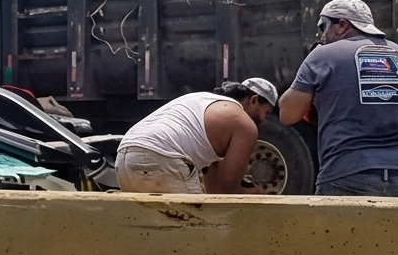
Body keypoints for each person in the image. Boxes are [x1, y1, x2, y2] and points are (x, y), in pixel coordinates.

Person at [278, 0, 398, 196]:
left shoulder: (323, 55)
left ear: (342, 24)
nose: (322, 35)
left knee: (333, 229)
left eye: (323, 26)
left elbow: (287, 114)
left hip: (346, 172)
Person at [116, 78, 278, 194]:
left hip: (125, 157)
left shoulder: (203, 100)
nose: (264, 120)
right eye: (267, 113)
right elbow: (227, 190)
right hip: (162, 156)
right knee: (196, 233)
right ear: (254, 100)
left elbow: (213, 188)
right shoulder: (244, 125)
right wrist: (251, 194)